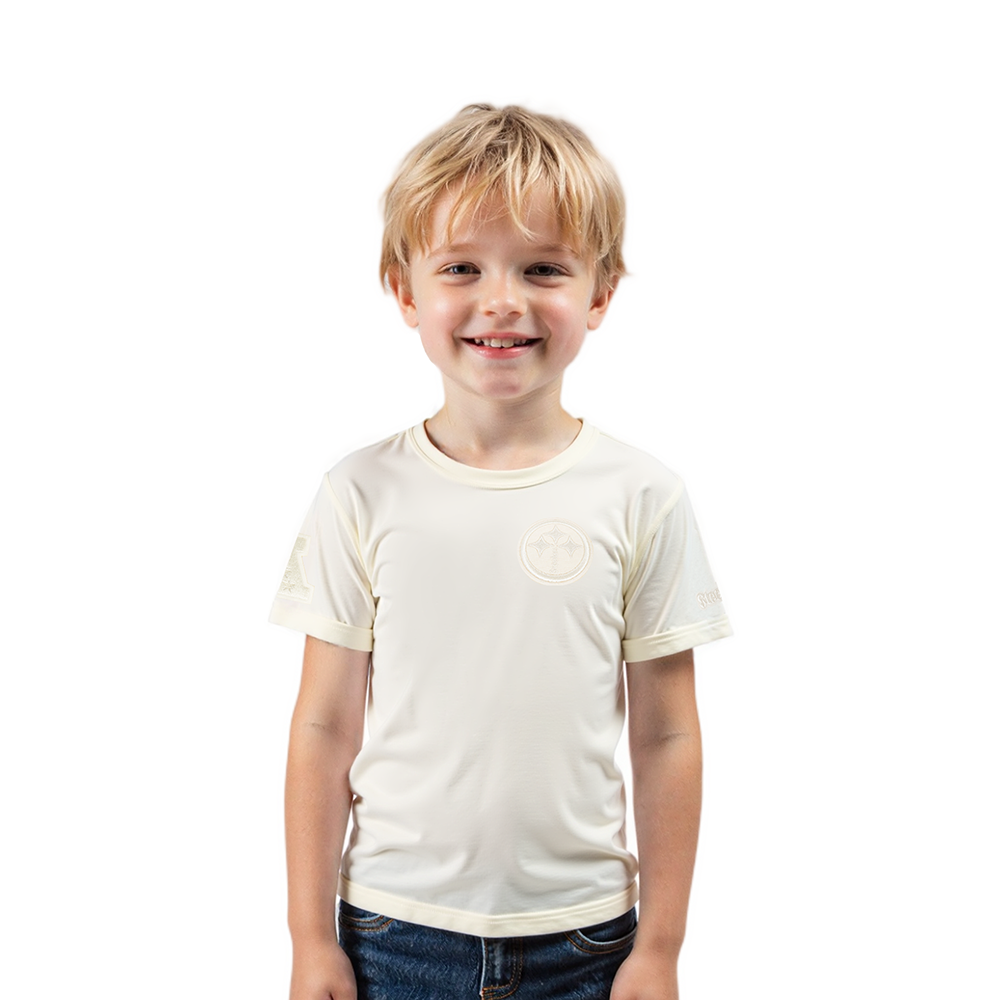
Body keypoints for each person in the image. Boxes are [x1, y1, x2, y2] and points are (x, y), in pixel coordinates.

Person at [270, 104, 732, 1000]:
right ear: (405, 290)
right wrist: (309, 938)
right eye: (461, 267)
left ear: (600, 293)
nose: (503, 300)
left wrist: (662, 949)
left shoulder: (643, 495)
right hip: (393, 937)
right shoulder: (359, 493)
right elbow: (323, 726)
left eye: (543, 268)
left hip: (587, 944)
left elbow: (667, 731)